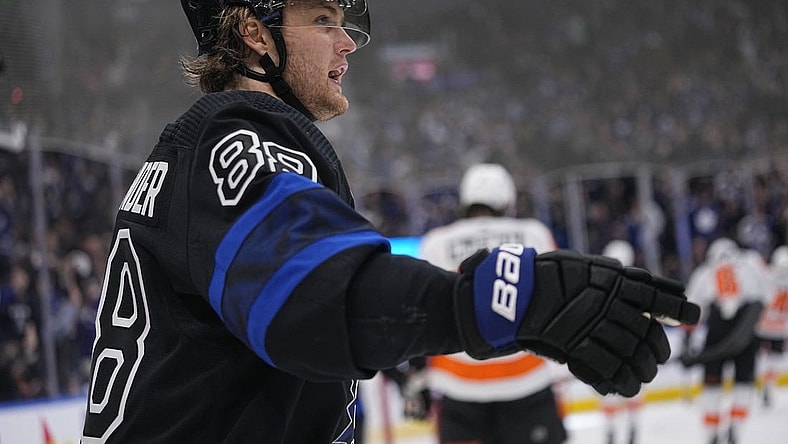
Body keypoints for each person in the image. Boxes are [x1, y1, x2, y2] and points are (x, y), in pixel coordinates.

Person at [80, 1, 700, 442]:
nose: (347, 40)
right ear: (255, 35)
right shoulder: (236, 132)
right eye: (323, 19)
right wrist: (503, 299)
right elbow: (312, 295)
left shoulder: (199, 151)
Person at [420, 163, 567, 444]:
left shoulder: (435, 242)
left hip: (457, 386)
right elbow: (558, 301)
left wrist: (417, 377)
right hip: (526, 382)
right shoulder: (533, 234)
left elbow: (422, 314)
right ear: (507, 199)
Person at [682, 238, 769, 444]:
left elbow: (692, 312)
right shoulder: (750, 266)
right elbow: (764, 298)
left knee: (712, 389)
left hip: (716, 332)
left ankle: (712, 434)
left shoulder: (704, 272)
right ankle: (735, 429)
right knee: (743, 387)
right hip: (746, 335)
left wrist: (687, 342)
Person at [598, 240, 643, 444]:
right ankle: (630, 428)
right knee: (631, 389)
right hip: (628, 346)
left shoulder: (598, 282)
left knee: (608, 391)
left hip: (607, 347)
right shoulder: (640, 284)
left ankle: (612, 432)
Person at [755, 245, 788, 408]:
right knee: (773, 361)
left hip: (762, 326)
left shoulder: (767, 276)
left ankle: (760, 385)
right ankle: (768, 386)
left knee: (759, 358)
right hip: (779, 328)